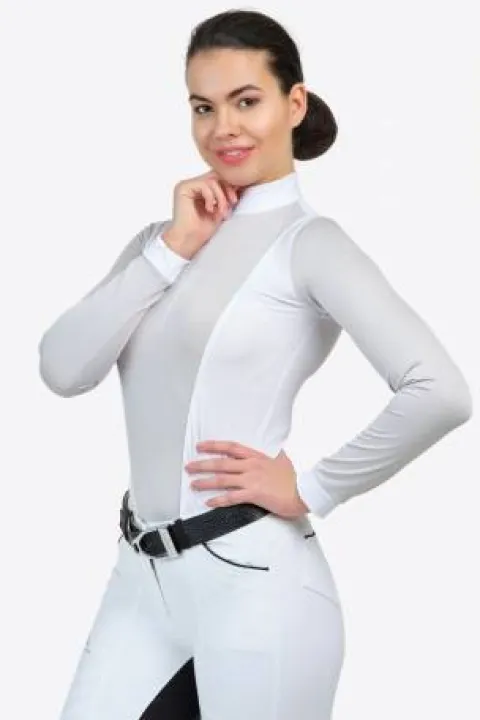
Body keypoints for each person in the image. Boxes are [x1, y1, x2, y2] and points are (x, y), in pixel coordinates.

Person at [38, 9, 472, 720]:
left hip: (258, 588)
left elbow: (441, 391)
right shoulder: (159, 241)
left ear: (293, 104)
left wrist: (315, 487)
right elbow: (62, 369)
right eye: (203, 107)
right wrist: (171, 250)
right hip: (139, 582)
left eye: (246, 101)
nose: (224, 128)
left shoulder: (311, 244)